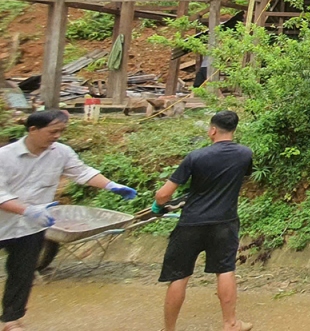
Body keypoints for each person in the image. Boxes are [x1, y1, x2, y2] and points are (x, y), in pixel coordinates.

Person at [0, 110, 137, 331]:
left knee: (22, 274)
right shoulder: (4, 156)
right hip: (4, 221)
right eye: (52, 131)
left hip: (31, 227)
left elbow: (82, 172)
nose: (56, 136)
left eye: (61, 132)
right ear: (32, 129)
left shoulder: (61, 152)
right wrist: (27, 210)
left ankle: (11, 321)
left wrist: (111, 185)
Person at [154, 110, 252, 331]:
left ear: (213, 130)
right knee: (225, 270)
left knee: (180, 276)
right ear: (234, 130)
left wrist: (158, 205)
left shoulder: (196, 157)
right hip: (225, 222)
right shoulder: (245, 154)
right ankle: (230, 324)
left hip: (191, 223)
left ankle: (169, 329)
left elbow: (164, 194)